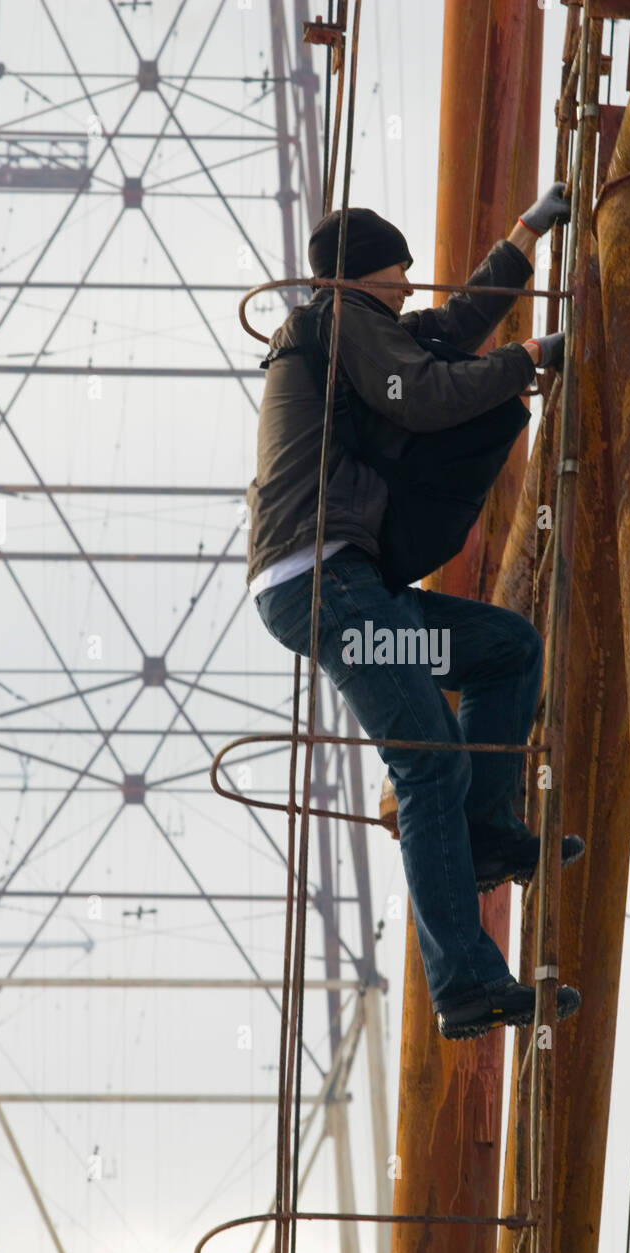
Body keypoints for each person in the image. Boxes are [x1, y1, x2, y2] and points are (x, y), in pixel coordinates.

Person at [246, 188, 584, 1041]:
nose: (407, 286)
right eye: (398, 272)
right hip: (324, 580)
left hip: (341, 582)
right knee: (428, 760)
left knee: (504, 649)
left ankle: (485, 833)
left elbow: (448, 330)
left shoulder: (355, 326)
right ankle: (465, 984)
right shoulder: (337, 318)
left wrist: (524, 234)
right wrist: (533, 358)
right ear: (367, 273)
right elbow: (425, 394)